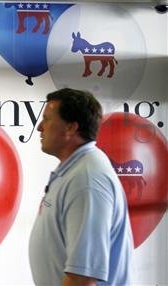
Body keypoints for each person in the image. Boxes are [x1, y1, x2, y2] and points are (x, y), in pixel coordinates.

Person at [29, 88, 133, 286]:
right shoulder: (76, 169)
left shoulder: (87, 180)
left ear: (71, 128)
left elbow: (82, 277)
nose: (40, 127)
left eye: (47, 119)